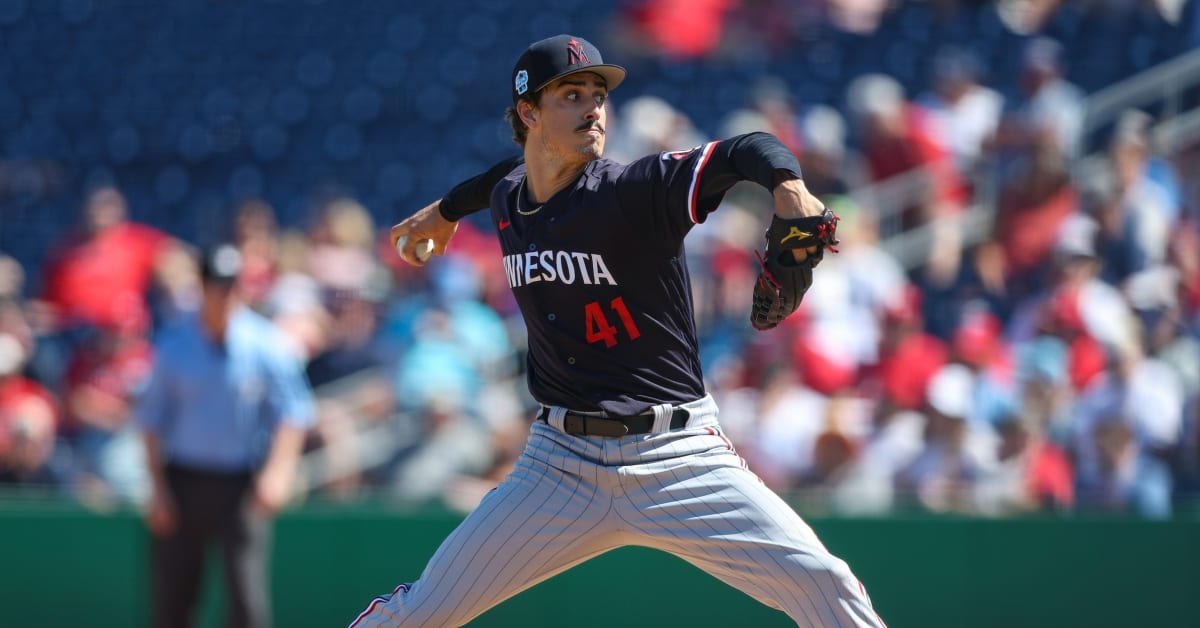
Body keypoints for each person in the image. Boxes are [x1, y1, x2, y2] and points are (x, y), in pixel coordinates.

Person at [352, 34, 883, 627]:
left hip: (677, 454)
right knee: (422, 611)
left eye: (598, 95)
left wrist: (788, 185)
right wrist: (446, 211)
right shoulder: (508, 195)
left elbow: (746, 148)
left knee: (825, 584)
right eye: (572, 95)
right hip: (559, 465)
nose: (593, 108)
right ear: (529, 114)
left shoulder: (635, 189)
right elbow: (503, 175)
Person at [136, 244, 316, 628]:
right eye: (218, 284)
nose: (225, 293)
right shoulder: (174, 345)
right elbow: (151, 421)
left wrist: (278, 473)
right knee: (174, 599)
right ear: (202, 287)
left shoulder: (265, 343)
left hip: (240, 482)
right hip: (183, 479)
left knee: (246, 598)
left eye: (232, 285)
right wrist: (157, 489)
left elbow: (294, 411)